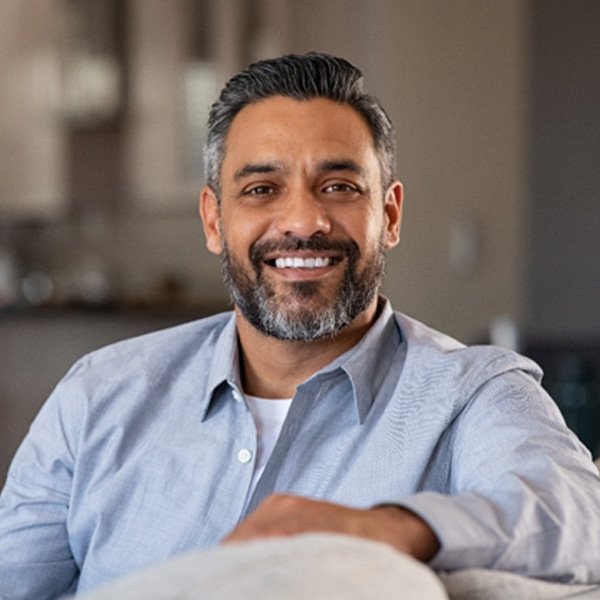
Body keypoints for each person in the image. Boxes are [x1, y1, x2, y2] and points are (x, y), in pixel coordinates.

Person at [1, 52, 599, 599]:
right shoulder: (98, 393)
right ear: (213, 220)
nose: (304, 221)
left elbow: (577, 517)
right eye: (262, 189)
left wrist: (387, 527)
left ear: (388, 215)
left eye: (338, 187)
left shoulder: (472, 393)